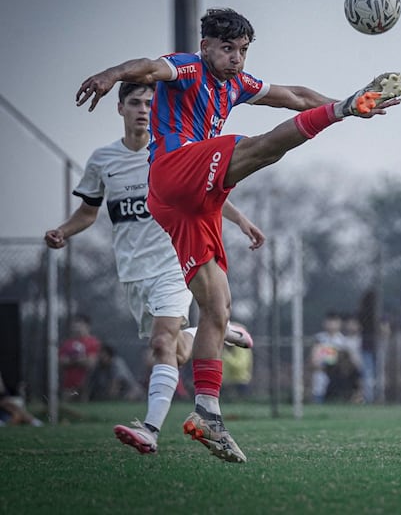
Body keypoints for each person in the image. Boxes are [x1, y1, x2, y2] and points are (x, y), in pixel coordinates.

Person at [75, 7, 401, 463]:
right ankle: (337, 113)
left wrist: (351, 101)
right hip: (174, 173)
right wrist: (110, 74)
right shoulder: (187, 67)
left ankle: (206, 414)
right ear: (207, 45)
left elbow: (293, 93)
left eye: (243, 51)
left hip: (192, 203)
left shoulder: (238, 84)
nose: (236, 58)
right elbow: (149, 68)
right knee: (258, 148)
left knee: (217, 307)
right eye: (228, 49)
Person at [46, 81, 259, 456]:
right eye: (135, 103)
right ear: (120, 108)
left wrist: (240, 220)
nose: (143, 110)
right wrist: (63, 231)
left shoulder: (168, 152)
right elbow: (88, 212)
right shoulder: (103, 160)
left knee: (161, 342)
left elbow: (204, 190)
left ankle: (150, 429)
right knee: (174, 350)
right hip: (132, 271)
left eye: (149, 103)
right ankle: (220, 327)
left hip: (175, 259)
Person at [58, 314, 101, 402]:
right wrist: (79, 360)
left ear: (87, 326)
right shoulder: (68, 343)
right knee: (66, 406)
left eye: (80, 325)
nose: (76, 328)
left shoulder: (93, 342)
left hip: (87, 386)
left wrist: (72, 360)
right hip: (69, 386)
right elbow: (62, 361)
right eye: (75, 326)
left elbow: (90, 363)